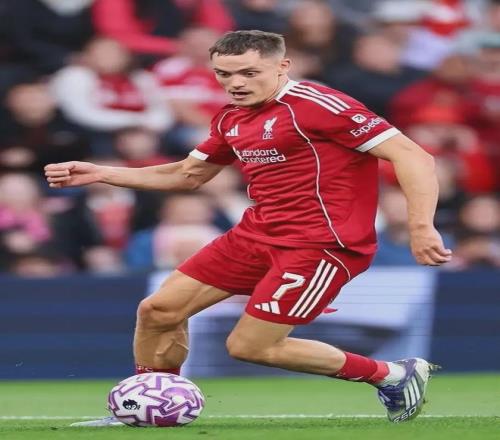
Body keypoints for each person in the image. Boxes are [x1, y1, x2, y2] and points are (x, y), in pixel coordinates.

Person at [45, 30, 452, 426]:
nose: (235, 83)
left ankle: (391, 375)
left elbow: (413, 157)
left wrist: (421, 227)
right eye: (224, 74)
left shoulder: (320, 105)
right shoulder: (231, 117)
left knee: (251, 347)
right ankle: (150, 406)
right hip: (255, 234)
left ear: (282, 66)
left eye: (249, 73)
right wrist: (103, 173)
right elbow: (188, 174)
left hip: (320, 244)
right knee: (158, 310)